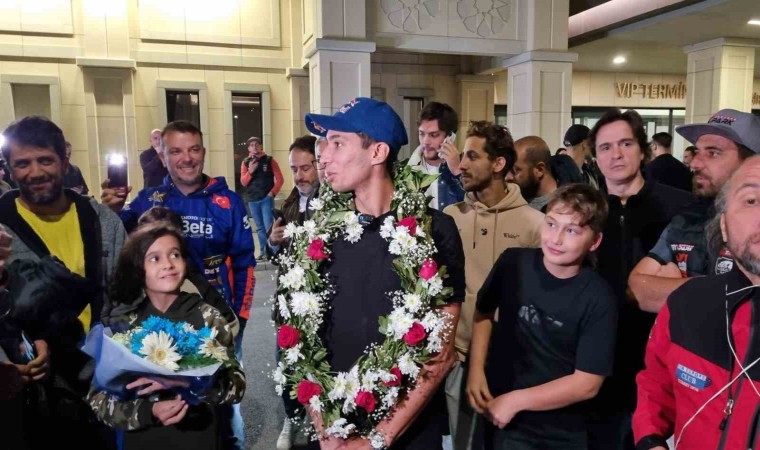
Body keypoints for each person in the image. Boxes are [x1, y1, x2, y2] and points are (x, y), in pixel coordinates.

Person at [303, 97, 465, 449]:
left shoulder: (434, 231)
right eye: (324, 144)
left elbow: (440, 354)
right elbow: (302, 339)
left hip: (408, 431)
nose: (323, 156)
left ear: (377, 152)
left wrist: (376, 440)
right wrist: (326, 432)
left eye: (337, 143)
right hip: (334, 426)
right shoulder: (319, 231)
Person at [101, 120, 254, 450]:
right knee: (157, 393)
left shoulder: (228, 201)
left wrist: (240, 318)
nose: (187, 158)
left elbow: (245, 263)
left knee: (225, 408)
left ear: (203, 152)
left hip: (216, 320)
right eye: (176, 151)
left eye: (194, 149)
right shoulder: (146, 200)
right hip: (157, 322)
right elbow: (116, 249)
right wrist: (110, 210)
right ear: (163, 156)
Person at [0, 115, 127, 449]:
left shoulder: (103, 222)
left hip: (99, 385)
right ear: (9, 169)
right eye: (22, 163)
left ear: (65, 162)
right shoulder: (1, 228)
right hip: (27, 392)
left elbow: (126, 296)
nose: (35, 172)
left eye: (45, 160)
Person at [468, 183, 617, 450]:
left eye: (571, 230)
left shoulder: (599, 298)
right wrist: (476, 370)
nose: (556, 239)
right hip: (498, 414)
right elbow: (483, 311)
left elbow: (587, 383)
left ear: (594, 241)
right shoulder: (513, 263)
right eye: (551, 224)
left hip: (556, 432)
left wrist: (516, 401)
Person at [633, 156, 760, 450]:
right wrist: (650, 440)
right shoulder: (686, 303)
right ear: (724, 226)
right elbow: (655, 385)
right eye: (751, 201)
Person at [589, 109, 694, 450]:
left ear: (643, 150)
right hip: (599, 357)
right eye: (605, 147)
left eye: (625, 144)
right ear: (595, 156)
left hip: (661, 355)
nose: (616, 154)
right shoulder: (585, 211)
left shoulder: (681, 208)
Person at [88, 225, 245, 450]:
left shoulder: (207, 317)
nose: (168, 264)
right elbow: (99, 400)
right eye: (155, 258)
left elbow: (237, 386)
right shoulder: (124, 325)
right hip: (144, 440)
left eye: (175, 254)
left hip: (200, 437)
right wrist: (148, 411)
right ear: (137, 268)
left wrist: (189, 382)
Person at [443, 121, 543, 449]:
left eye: (472, 156)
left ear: (499, 163)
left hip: (512, 363)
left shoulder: (535, 225)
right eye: (462, 156)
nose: (461, 164)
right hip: (458, 359)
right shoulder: (450, 216)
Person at [629, 109, 760, 313]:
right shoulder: (687, 218)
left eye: (713, 153)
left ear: (751, 162)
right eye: (698, 152)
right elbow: (638, 290)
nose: (695, 163)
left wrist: (676, 287)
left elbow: (749, 301)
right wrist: (709, 289)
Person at [264, 135, 320, 450]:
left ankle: (318, 421)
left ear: (319, 165)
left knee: (318, 365)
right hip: (287, 304)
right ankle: (291, 417)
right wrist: (273, 242)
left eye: (306, 168)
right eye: (294, 169)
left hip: (320, 302)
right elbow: (275, 256)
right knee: (286, 365)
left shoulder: (333, 202)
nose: (299, 176)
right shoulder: (286, 205)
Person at [406, 101, 465, 210]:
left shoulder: (466, 169)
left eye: (433, 135)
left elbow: (475, 207)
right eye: (421, 134)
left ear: (450, 136)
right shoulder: (407, 170)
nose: (425, 141)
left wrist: (457, 172)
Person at [240, 136, 284, 260]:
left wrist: (272, 193)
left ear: (260, 146)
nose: (254, 147)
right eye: (251, 145)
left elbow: (280, 179)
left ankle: (273, 252)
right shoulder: (245, 162)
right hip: (252, 200)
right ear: (248, 148)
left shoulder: (269, 160)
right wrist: (250, 171)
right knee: (259, 228)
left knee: (269, 226)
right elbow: (243, 182)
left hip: (266, 198)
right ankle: (264, 253)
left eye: (256, 144)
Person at [508, 136, 558, 212]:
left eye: (515, 171)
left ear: (539, 170)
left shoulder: (562, 208)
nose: (508, 177)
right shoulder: (516, 197)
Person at [563, 124, 603, 189]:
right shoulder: (564, 176)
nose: (594, 148)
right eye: (592, 143)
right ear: (584, 144)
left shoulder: (587, 171)